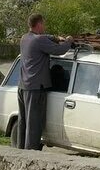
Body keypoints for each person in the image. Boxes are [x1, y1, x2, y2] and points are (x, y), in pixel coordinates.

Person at [17, 13, 73, 151]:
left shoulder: (25, 38)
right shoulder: (38, 41)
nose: (45, 26)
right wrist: (68, 41)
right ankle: (31, 155)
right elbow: (59, 50)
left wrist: (54, 37)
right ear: (39, 24)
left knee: (23, 122)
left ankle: (19, 152)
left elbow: (44, 38)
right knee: (34, 124)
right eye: (44, 24)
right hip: (36, 88)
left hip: (23, 86)